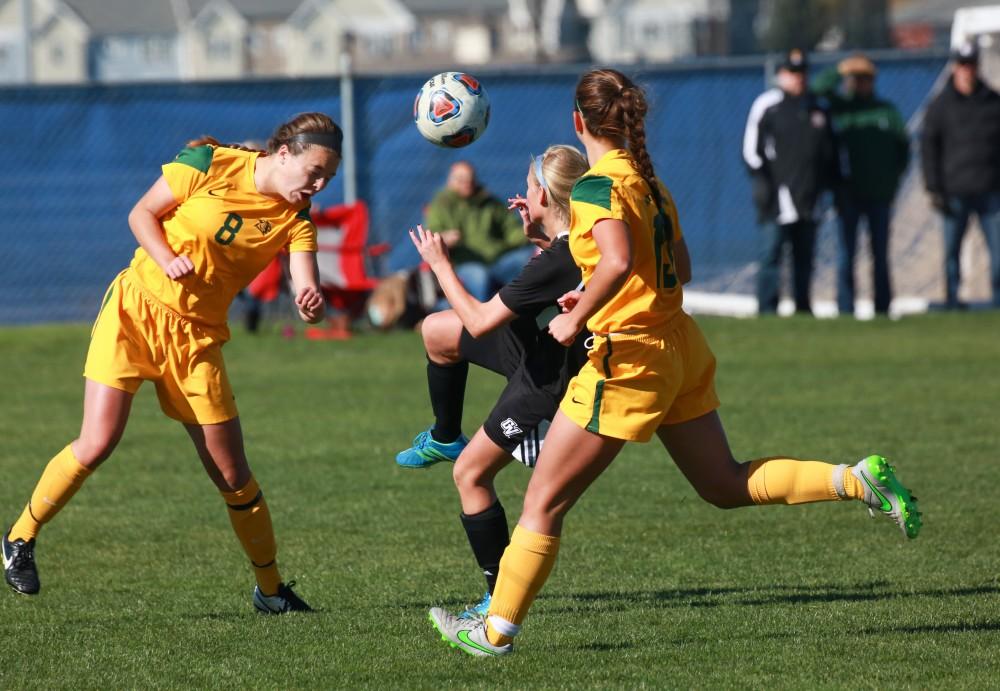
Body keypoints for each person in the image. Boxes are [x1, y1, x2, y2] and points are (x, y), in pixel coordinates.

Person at [427, 68, 922, 657]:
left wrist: (579, 311)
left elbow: (615, 258)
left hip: (628, 358)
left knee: (543, 503)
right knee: (723, 483)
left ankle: (494, 631)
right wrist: (592, 286)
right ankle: (855, 480)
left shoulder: (594, 187)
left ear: (578, 122)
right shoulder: (650, 183)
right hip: (678, 345)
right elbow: (675, 267)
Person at [2, 113, 342, 614]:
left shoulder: (297, 219)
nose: (317, 185)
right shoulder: (209, 163)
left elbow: (303, 277)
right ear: (284, 153)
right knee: (97, 443)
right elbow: (141, 214)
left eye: (327, 179)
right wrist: (164, 256)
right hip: (135, 311)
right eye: (313, 172)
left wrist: (309, 298)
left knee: (233, 477)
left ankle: (271, 592)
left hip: (197, 341)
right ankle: (19, 540)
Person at [398, 145, 590, 620]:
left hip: (546, 380)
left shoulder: (561, 257)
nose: (521, 195)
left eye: (528, 188)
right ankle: (445, 435)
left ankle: (497, 594)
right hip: (530, 347)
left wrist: (439, 262)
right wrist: (535, 232)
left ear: (543, 194)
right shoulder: (577, 239)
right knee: (437, 332)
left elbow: (482, 321)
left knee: (471, 474)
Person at [743, 49, 840, 315]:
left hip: (810, 196)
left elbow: (830, 152)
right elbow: (751, 153)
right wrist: (766, 187)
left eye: (803, 73)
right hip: (777, 197)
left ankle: (803, 306)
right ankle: (767, 308)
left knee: (805, 257)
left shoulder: (818, 107)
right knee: (771, 254)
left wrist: (828, 185)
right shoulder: (768, 105)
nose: (799, 79)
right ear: (781, 75)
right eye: (793, 73)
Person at [812, 54, 909, 317]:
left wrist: (891, 181)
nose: (859, 84)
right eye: (855, 79)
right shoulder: (841, 108)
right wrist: (840, 69)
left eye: (864, 79)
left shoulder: (886, 111)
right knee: (847, 255)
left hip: (879, 194)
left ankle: (883, 306)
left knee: (880, 254)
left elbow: (903, 149)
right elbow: (816, 89)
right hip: (848, 194)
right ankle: (845, 307)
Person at [921, 41, 1000, 309]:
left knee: (998, 253)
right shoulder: (941, 106)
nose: (967, 71)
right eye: (963, 66)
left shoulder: (993, 102)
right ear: (955, 68)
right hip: (954, 190)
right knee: (951, 253)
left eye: (972, 66)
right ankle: (953, 301)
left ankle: (997, 301)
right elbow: (928, 147)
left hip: (991, 190)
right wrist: (933, 187)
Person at [424, 161, 536, 305]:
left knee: (530, 258)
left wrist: (531, 231)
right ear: (450, 181)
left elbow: (511, 230)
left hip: (498, 260)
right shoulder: (442, 204)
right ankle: (482, 316)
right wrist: (444, 239)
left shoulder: (489, 203)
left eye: (470, 179)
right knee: (479, 276)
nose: (466, 183)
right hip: (464, 264)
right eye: (461, 179)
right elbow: (433, 234)